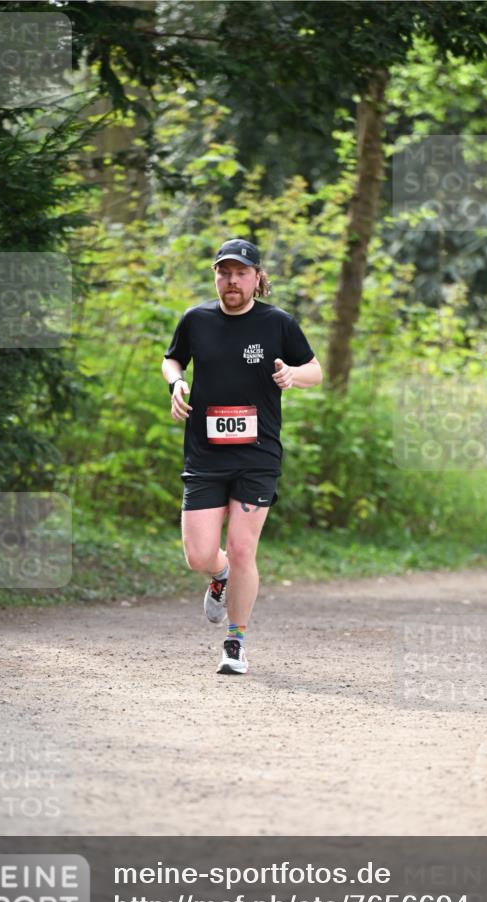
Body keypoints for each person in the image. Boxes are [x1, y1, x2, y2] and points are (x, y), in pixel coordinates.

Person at [162, 238, 322, 675]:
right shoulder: (195, 320)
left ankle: (235, 642)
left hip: (258, 453)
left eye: (241, 273)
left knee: (242, 546)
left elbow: (315, 369)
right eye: (224, 272)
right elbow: (172, 360)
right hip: (205, 453)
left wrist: (293, 374)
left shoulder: (278, 324)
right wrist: (176, 384)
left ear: (256, 277)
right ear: (216, 275)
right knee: (199, 554)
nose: (232, 281)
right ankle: (220, 576)